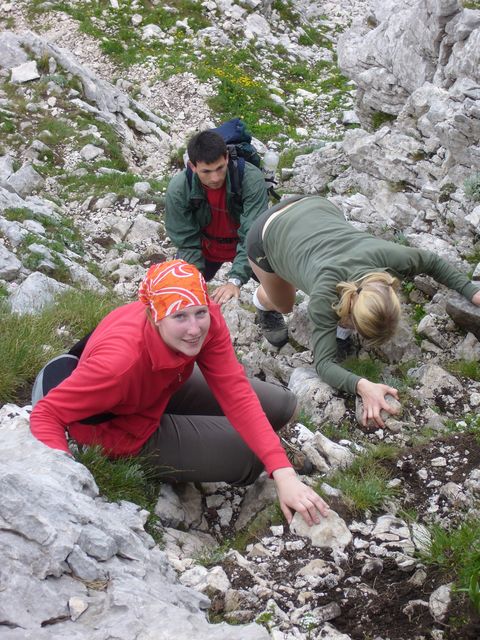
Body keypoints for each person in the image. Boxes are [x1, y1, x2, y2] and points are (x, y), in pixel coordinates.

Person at [30, 259, 328, 526]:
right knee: (249, 454)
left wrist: (283, 472)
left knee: (281, 404)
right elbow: (47, 413)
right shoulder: (119, 365)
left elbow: (235, 393)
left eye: (200, 313)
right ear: (155, 316)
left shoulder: (202, 317)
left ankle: (270, 450)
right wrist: (68, 481)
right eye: (180, 318)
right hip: (118, 424)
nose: (194, 328)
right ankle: (265, 450)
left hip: (160, 383)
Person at [246, 195, 480, 428]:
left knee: (308, 269)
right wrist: (362, 385)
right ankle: (261, 301)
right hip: (267, 234)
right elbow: (323, 364)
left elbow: (432, 262)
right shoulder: (323, 296)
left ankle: (339, 330)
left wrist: (472, 292)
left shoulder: (389, 257)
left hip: (316, 207)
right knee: (284, 303)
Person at [164, 130, 287, 342]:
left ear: (227, 158)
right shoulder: (179, 188)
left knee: (279, 283)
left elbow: (252, 234)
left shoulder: (250, 179)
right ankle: (186, 333)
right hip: (206, 246)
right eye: (206, 171)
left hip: (249, 246)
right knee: (183, 289)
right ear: (192, 167)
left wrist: (235, 280)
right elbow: (186, 241)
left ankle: (268, 309)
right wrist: (196, 286)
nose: (215, 177)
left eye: (220, 168)